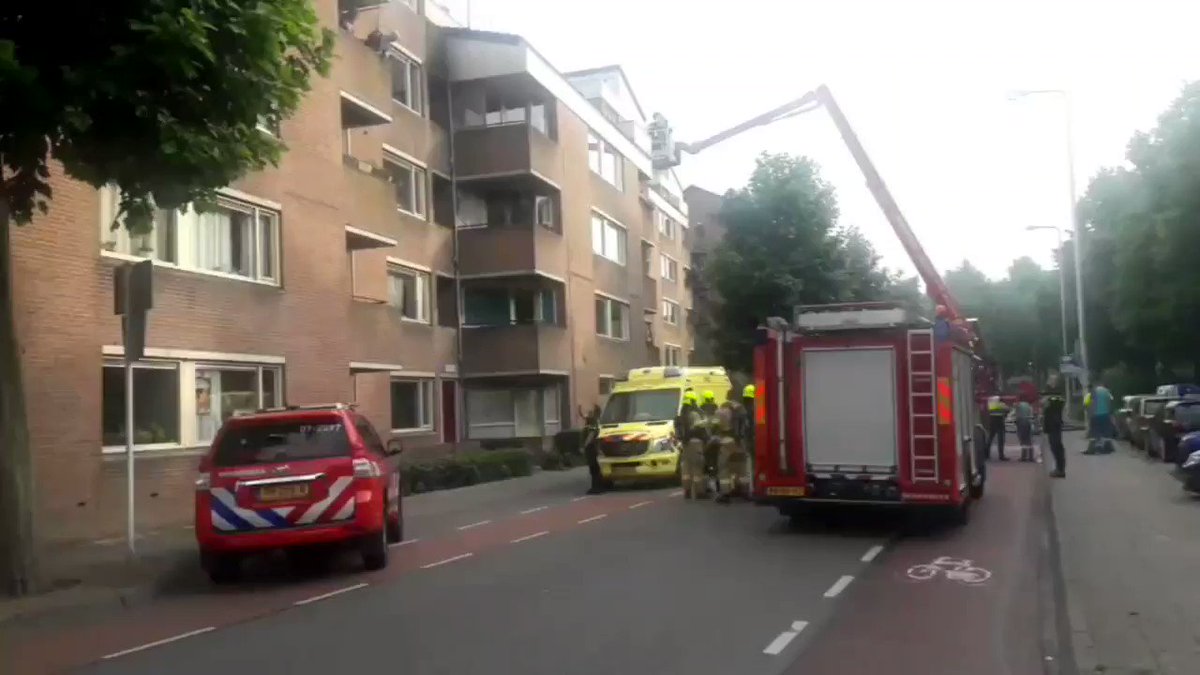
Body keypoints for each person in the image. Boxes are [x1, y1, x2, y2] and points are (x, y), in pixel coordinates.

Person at [676, 391, 709, 499]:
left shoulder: (681, 415)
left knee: (686, 468)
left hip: (685, 444)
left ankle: (687, 491)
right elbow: (700, 426)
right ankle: (699, 492)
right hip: (695, 443)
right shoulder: (694, 414)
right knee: (697, 468)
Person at [714, 399, 746, 504]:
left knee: (724, 468)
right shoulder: (741, 410)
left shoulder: (722, 411)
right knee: (740, 468)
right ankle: (743, 490)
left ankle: (725, 494)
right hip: (739, 443)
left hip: (726, 441)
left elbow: (715, 424)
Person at [1085, 382, 1115, 454]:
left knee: (1095, 432)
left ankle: (1096, 448)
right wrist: (1110, 413)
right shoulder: (1107, 392)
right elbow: (1110, 402)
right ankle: (1106, 447)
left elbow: (1087, 403)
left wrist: (1089, 414)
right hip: (1105, 414)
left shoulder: (1092, 392)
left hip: (1095, 415)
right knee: (1105, 432)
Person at [581, 404, 605, 494]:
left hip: (591, 448)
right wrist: (579, 409)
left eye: (590, 412)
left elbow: (591, 436)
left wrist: (584, 446)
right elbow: (583, 416)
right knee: (595, 468)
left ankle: (596, 488)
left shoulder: (592, 423)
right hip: (593, 448)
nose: (588, 414)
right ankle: (598, 487)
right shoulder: (593, 421)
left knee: (594, 469)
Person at [1042, 392, 1066, 477]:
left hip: (1053, 428)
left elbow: (1048, 418)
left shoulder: (1053, 405)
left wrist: (1050, 399)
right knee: (1057, 448)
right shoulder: (1054, 407)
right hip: (1054, 428)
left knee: (1056, 448)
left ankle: (1060, 470)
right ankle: (1060, 469)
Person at [985, 395, 1009, 461]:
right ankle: (1001, 456)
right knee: (1001, 439)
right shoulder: (1002, 405)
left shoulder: (991, 405)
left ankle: (986, 454)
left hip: (992, 421)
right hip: (1000, 421)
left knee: (990, 438)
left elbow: (987, 410)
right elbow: (1007, 409)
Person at [1015, 397, 1035, 462]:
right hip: (1029, 422)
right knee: (1029, 440)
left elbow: (1017, 415)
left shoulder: (1019, 405)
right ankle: (1031, 457)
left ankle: (1023, 457)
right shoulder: (1029, 406)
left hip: (1022, 422)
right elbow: (1032, 415)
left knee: (1023, 440)